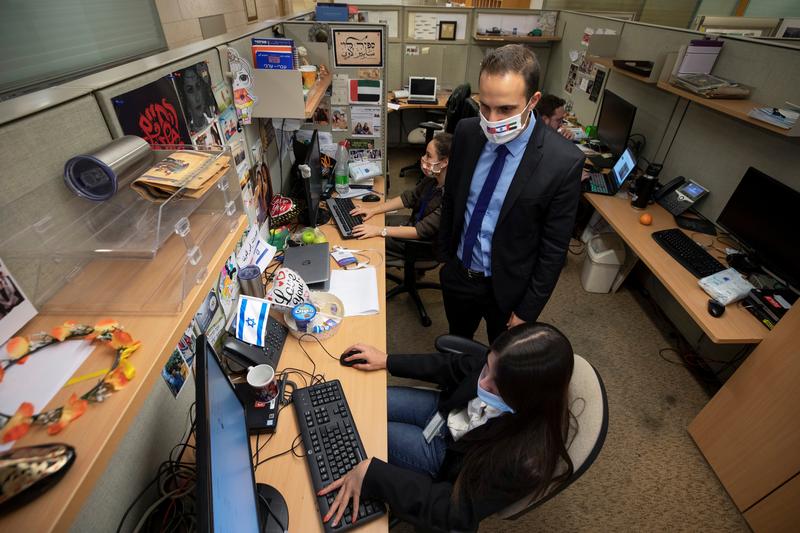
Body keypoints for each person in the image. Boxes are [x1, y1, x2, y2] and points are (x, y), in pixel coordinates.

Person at [321, 322, 576, 532]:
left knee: (365, 432)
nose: (482, 382)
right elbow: (452, 367)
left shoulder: (525, 460)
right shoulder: (504, 364)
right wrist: (387, 360)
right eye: (486, 368)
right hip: (445, 410)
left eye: (495, 387)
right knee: (360, 402)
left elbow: (456, 510)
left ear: (526, 399)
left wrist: (373, 473)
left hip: (449, 454)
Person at [437, 45, 583, 343]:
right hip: (459, 275)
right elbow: (452, 197)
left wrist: (528, 310)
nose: (491, 119)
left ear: (533, 101)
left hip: (507, 288)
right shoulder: (467, 132)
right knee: (456, 344)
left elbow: (553, 249)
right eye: (485, 106)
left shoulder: (563, 161)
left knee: (501, 361)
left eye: (505, 109)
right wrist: (445, 260)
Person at [350, 134, 452, 260]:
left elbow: (420, 231)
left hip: (423, 245)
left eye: (429, 156)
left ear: (444, 163)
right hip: (413, 224)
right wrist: (373, 210)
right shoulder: (433, 179)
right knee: (373, 223)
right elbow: (408, 198)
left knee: (371, 240)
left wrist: (379, 231)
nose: (423, 158)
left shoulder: (450, 197)